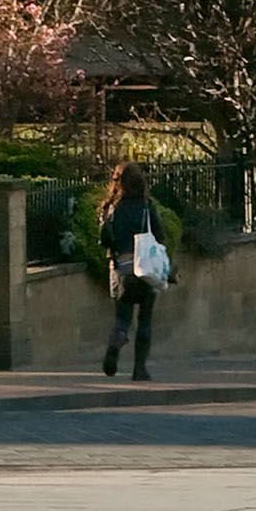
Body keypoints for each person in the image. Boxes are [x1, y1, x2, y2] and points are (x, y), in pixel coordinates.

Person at [95, 162, 167, 381]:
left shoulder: (111, 207)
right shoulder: (147, 206)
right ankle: (139, 369)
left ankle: (116, 343)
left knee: (123, 318)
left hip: (120, 268)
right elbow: (160, 235)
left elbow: (104, 239)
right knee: (145, 319)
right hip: (145, 267)